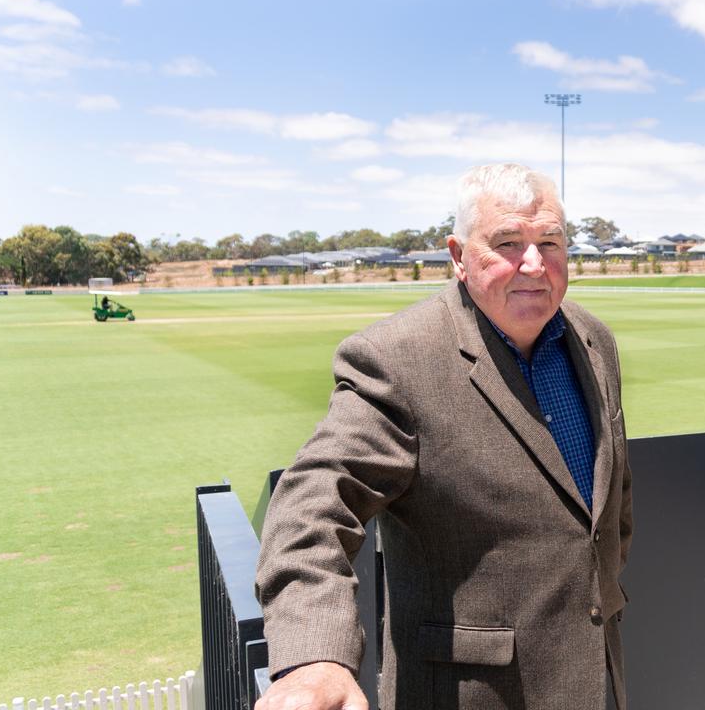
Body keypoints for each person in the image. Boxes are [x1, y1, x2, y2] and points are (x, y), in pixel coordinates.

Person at [255, 163, 633, 710]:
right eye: (507, 242)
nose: (533, 262)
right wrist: (315, 661)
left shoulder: (593, 339)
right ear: (458, 257)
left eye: (550, 241)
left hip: (597, 680)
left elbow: (610, 507)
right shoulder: (397, 359)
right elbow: (311, 507)